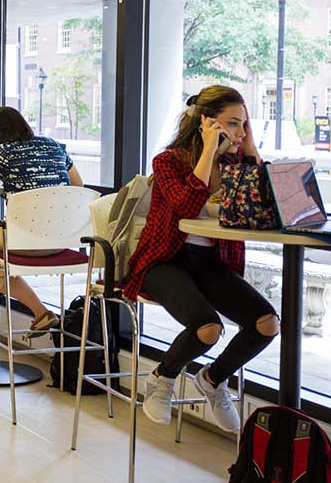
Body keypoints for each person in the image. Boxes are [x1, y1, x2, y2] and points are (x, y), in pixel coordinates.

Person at [127, 85, 279, 433]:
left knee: (267, 323)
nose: (240, 133)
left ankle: (212, 378)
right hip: (163, 260)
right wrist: (209, 149)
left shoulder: (237, 163)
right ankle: (161, 379)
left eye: (244, 124)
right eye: (233, 124)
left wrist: (252, 150)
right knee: (208, 328)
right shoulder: (167, 161)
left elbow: (267, 202)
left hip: (209, 261)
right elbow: (185, 205)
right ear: (207, 123)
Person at [0, 106, 84, 337]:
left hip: (24, 242)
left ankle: (37, 309)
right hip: (61, 241)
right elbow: (77, 185)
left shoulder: (3, 152)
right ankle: (39, 312)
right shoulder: (54, 145)